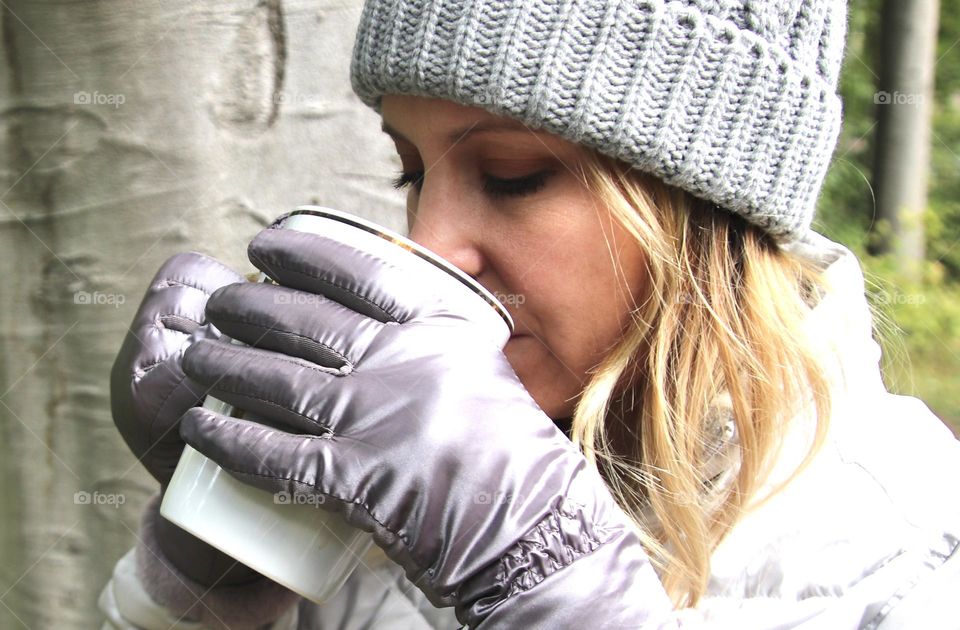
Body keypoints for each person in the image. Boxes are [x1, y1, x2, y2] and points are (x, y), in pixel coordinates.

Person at [98, 1, 960, 628]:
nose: (429, 245)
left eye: (512, 175)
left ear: (707, 211)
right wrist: (209, 580)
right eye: (411, 173)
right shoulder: (380, 494)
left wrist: (554, 588)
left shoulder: (912, 551)